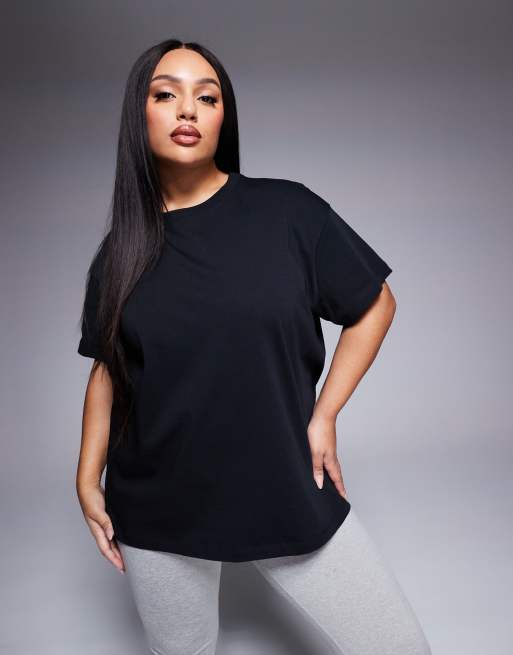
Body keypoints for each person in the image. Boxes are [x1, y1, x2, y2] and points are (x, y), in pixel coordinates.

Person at [76, 39, 432, 655]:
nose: (188, 109)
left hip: (283, 484)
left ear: (223, 117)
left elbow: (376, 304)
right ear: (140, 115)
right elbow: (109, 371)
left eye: (207, 97)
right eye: (166, 94)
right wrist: (86, 477)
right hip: (158, 506)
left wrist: (325, 414)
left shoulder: (288, 212)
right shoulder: (120, 254)